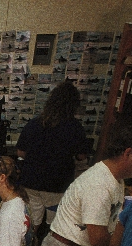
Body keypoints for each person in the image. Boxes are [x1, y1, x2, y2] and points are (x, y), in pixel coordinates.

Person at [16, 78, 92, 225]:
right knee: (53, 226)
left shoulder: (34, 123)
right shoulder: (75, 127)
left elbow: (20, 152)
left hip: (31, 182)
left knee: (30, 225)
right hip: (57, 185)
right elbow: (81, 156)